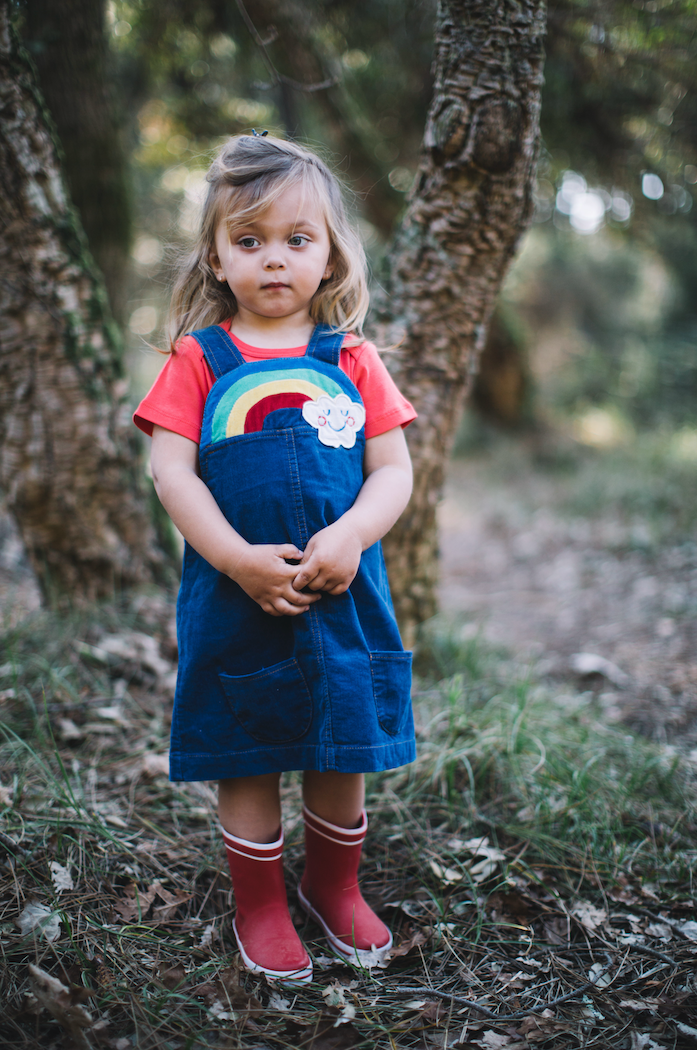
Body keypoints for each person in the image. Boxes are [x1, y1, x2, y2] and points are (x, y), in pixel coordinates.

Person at [134, 132, 417, 983]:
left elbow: (393, 471)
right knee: (246, 746)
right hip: (234, 594)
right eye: (248, 241)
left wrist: (352, 535)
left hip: (342, 589)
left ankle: (335, 887)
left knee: (341, 745)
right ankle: (258, 900)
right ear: (216, 259)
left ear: (329, 254)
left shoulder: (352, 359)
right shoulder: (199, 359)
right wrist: (233, 558)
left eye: (297, 239)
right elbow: (170, 471)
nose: (273, 260)